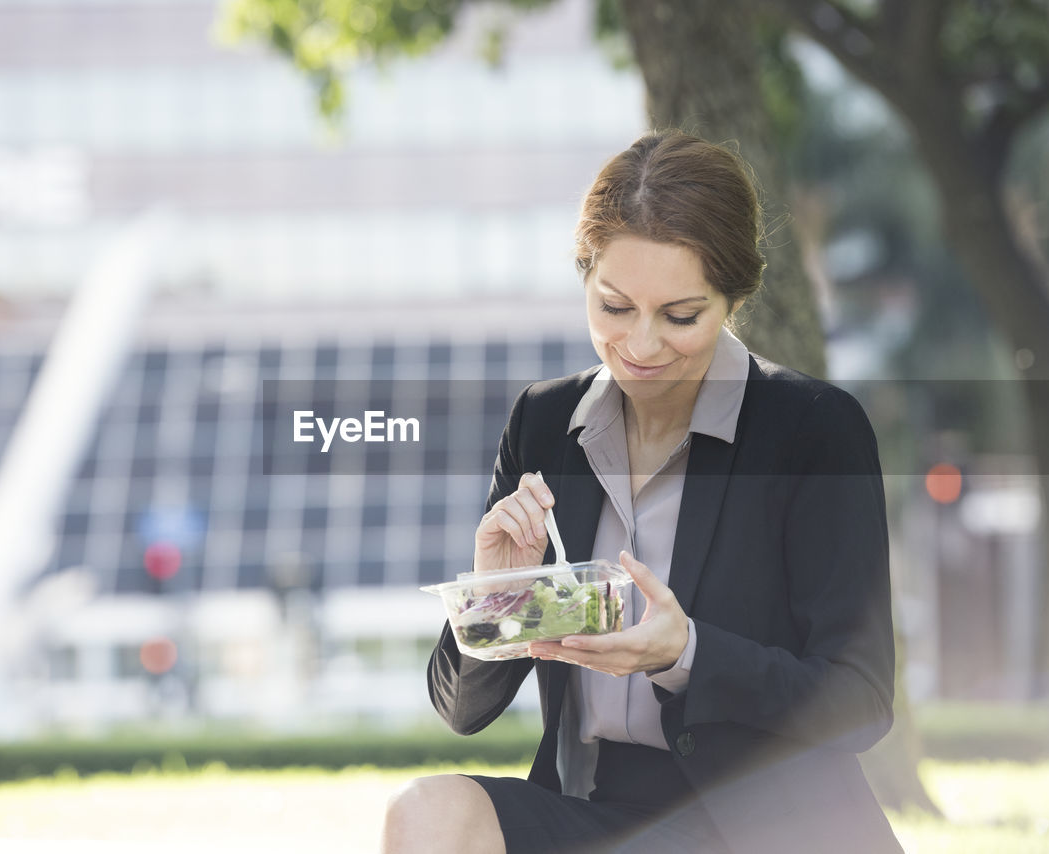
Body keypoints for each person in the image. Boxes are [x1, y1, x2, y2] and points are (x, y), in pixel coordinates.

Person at [382, 130, 900, 854]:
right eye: (614, 307)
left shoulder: (813, 430)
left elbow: (861, 702)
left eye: (680, 316)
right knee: (426, 814)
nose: (642, 345)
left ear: (732, 299)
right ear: (586, 278)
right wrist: (494, 597)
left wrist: (684, 652)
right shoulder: (544, 423)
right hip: (596, 809)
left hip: (764, 826)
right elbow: (460, 711)